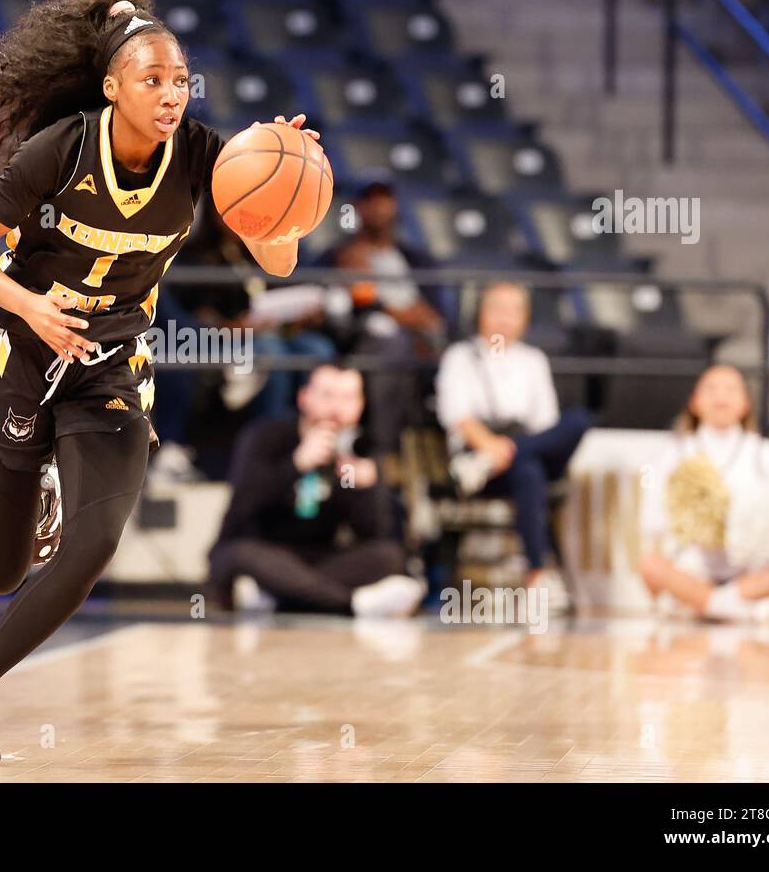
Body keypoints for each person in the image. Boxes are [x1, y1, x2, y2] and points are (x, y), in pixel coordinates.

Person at [0, 0, 316, 767]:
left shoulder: (204, 156)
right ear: (113, 87)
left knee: (91, 550)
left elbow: (279, 259)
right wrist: (28, 306)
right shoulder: (60, 148)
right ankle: (42, 480)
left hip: (112, 365)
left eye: (181, 81)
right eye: (153, 80)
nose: (171, 94)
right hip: (20, 351)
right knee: (1, 569)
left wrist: (285, 184)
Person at [206, 364, 425, 617]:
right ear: (304, 398)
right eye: (327, 395)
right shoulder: (265, 436)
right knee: (242, 556)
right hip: (260, 549)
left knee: (390, 557)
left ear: (361, 405)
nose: (336, 408)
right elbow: (244, 506)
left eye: (347, 398)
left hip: (315, 558)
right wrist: (296, 464)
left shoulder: (360, 451)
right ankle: (351, 604)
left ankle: (278, 598)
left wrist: (368, 490)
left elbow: (376, 534)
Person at [434, 281, 589, 604]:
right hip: (480, 460)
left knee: (578, 420)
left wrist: (510, 449)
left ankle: (511, 454)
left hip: (519, 450)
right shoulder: (461, 357)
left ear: (525, 318)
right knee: (529, 472)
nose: (504, 318)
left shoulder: (534, 360)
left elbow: (546, 424)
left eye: (513, 310)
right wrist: (489, 447)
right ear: (480, 314)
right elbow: (457, 416)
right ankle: (536, 575)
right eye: (497, 309)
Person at [637, 365, 769, 621]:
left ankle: (709, 603)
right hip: (693, 566)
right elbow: (654, 521)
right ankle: (726, 605)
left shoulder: (765, 452)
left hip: (751, 567)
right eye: (711, 389)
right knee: (649, 564)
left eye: (731, 389)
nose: (721, 397)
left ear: (746, 403)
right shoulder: (674, 452)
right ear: (694, 402)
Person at [313, 181, 444, 458]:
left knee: (412, 350)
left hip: (416, 344)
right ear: (359, 207)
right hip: (355, 341)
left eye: (385, 199)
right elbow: (317, 300)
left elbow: (435, 320)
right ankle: (383, 453)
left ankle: (398, 454)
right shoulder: (339, 255)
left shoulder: (415, 260)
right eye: (370, 200)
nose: (378, 208)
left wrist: (382, 301)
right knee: (390, 347)